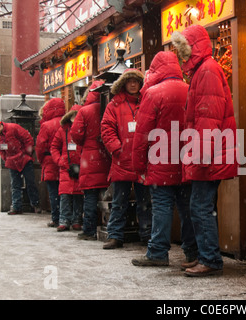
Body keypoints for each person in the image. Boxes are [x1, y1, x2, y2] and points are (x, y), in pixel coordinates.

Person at [171, 25, 238, 277]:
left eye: (182, 49)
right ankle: (206, 255)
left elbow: (208, 118)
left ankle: (209, 258)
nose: (179, 54)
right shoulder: (203, 70)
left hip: (209, 154)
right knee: (204, 206)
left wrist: (201, 155)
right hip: (211, 151)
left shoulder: (207, 70)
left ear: (191, 48)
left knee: (199, 206)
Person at [130, 51, 198, 268]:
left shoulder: (152, 94)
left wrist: (138, 165)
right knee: (187, 208)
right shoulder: (190, 89)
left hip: (160, 161)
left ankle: (158, 251)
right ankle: (192, 252)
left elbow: (142, 134)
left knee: (161, 207)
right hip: (186, 160)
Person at [100, 68, 152, 249]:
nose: (132, 84)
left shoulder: (146, 102)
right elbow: (106, 128)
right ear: (123, 84)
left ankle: (147, 235)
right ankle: (115, 235)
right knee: (118, 201)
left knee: (144, 201)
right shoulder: (114, 105)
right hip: (122, 159)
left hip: (141, 159)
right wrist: (116, 148)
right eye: (129, 81)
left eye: (136, 81)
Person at [70, 81, 111, 240]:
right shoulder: (109, 106)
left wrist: (85, 143)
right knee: (108, 196)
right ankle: (108, 227)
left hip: (89, 157)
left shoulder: (84, 111)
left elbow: (76, 134)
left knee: (90, 196)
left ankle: (89, 229)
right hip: (106, 156)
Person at [0, 118, 40, 215]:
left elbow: (27, 139)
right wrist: (6, 158)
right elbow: (0, 150)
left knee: (30, 183)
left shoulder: (13, 128)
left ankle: (35, 204)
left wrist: (26, 153)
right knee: (15, 185)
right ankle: (17, 207)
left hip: (24, 159)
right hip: (12, 161)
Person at [50, 104, 84, 232]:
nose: (74, 118)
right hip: (66, 167)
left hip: (79, 167)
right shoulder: (62, 131)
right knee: (65, 195)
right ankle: (64, 220)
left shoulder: (81, 130)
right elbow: (54, 147)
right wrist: (60, 161)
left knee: (78, 196)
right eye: (73, 116)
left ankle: (75, 220)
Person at [36, 98, 66, 228]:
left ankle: (56, 218)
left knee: (53, 191)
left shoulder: (46, 125)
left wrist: (41, 159)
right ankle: (66, 218)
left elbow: (40, 146)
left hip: (49, 160)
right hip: (65, 159)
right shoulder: (65, 123)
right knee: (65, 191)